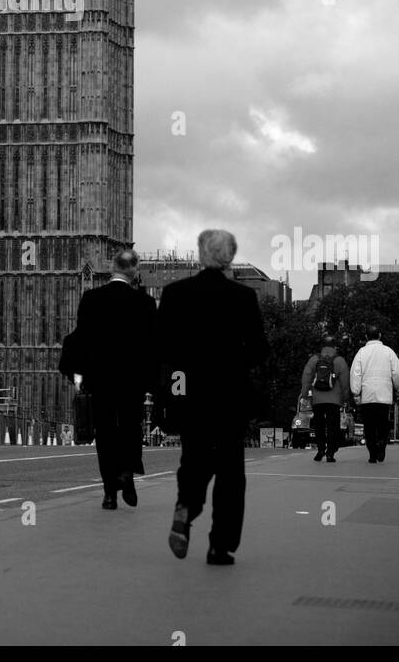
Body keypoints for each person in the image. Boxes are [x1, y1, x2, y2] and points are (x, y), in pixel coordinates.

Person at [157, 229, 269, 565]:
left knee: (194, 458)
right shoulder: (243, 297)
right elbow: (260, 351)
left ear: (201, 254)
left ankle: (186, 507)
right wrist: (236, 362)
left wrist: (174, 387)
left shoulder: (175, 293)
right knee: (231, 473)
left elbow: (162, 349)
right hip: (230, 394)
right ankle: (221, 545)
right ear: (230, 257)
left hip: (190, 393)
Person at [70, 249, 157, 509]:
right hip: (132, 381)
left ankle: (109, 493)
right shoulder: (145, 303)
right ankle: (127, 475)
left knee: (106, 433)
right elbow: (153, 346)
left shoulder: (91, 298)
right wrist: (152, 382)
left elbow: (81, 340)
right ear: (134, 272)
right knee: (130, 428)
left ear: (112, 270)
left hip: (101, 380)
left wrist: (79, 373)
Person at [349, 326, 399, 463]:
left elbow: (355, 373)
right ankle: (382, 443)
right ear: (379, 335)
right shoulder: (388, 351)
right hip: (384, 393)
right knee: (383, 422)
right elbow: (397, 372)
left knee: (369, 425)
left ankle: (372, 452)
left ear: (367, 337)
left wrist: (356, 393)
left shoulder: (361, 352)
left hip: (367, 394)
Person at [300, 338, 350, 462]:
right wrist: (346, 398)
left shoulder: (314, 359)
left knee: (319, 425)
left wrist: (304, 393)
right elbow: (345, 383)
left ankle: (320, 449)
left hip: (317, 399)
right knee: (333, 426)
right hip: (334, 399)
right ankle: (330, 453)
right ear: (335, 346)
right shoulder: (339, 361)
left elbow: (306, 376)